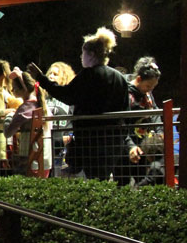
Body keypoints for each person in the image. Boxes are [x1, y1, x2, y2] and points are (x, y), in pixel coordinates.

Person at [28, 27, 130, 181]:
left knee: (93, 179)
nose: (81, 57)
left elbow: (66, 95)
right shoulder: (119, 78)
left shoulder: (88, 75)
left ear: (91, 54)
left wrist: (41, 79)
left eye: (83, 53)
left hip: (90, 140)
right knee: (104, 178)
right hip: (113, 140)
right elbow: (125, 110)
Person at [122, 57, 165, 186]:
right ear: (139, 79)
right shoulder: (125, 94)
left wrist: (160, 130)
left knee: (142, 179)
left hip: (143, 146)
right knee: (122, 182)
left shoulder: (147, 93)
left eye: (153, 87)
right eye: (148, 86)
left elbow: (155, 111)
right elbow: (121, 123)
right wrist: (130, 146)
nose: (150, 90)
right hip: (126, 146)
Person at [5, 68, 51, 176]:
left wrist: (9, 116)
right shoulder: (44, 107)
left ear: (23, 89)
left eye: (14, 88)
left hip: (29, 159)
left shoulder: (25, 108)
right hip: (46, 159)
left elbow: (8, 132)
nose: (12, 91)